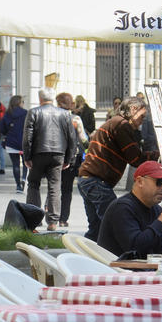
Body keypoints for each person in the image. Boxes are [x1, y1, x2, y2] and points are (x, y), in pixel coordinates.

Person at [78, 96, 159, 240]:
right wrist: (159, 155)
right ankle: (120, 257)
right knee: (116, 221)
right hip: (97, 182)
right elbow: (135, 158)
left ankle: (83, 257)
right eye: (142, 117)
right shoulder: (122, 125)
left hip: (88, 180)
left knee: (97, 228)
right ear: (133, 110)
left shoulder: (115, 122)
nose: (141, 122)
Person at [22, 87, 76, 231]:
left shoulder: (33, 112)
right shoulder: (65, 114)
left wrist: (27, 156)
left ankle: (34, 219)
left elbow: (27, 137)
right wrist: (69, 159)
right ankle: (52, 221)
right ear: (52, 99)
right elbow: (72, 137)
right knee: (55, 186)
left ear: (40, 99)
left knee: (33, 184)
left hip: (38, 153)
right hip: (58, 153)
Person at [98, 161, 162, 258]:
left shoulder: (156, 210)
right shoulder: (122, 208)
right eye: (159, 182)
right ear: (140, 182)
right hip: (119, 271)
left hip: (146, 269)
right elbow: (134, 248)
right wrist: (160, 224)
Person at [56, 92, 90, 228]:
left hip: (53, 155)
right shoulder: (75, 119)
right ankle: (63, 219)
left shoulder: (51, 117)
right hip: (70, 157)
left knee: (54, 185)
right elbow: (83, 139)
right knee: (67, 189)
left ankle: (49, 210)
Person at [0, 95, 28, 192]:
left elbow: (2, 128)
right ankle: (24, 179)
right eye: (22, 102)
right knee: (25, 163)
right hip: (24, 143)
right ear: (19, 103)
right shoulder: (26, 113)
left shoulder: (7, 114)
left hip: (11, 143)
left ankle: (18, 186)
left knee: (15, 164)